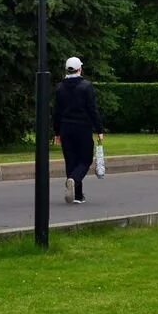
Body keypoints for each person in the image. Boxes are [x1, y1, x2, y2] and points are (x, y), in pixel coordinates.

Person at [53, 56, 104, 205]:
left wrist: (56, 132)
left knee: (71, 160)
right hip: (82, 127)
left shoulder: (60, 88)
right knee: (85, 159)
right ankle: (74, 181)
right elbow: (92, 109)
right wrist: (99, 129)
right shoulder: (86, 86)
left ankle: (77, 195)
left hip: (65, 128)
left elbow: (56, 112)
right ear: (79, 69)